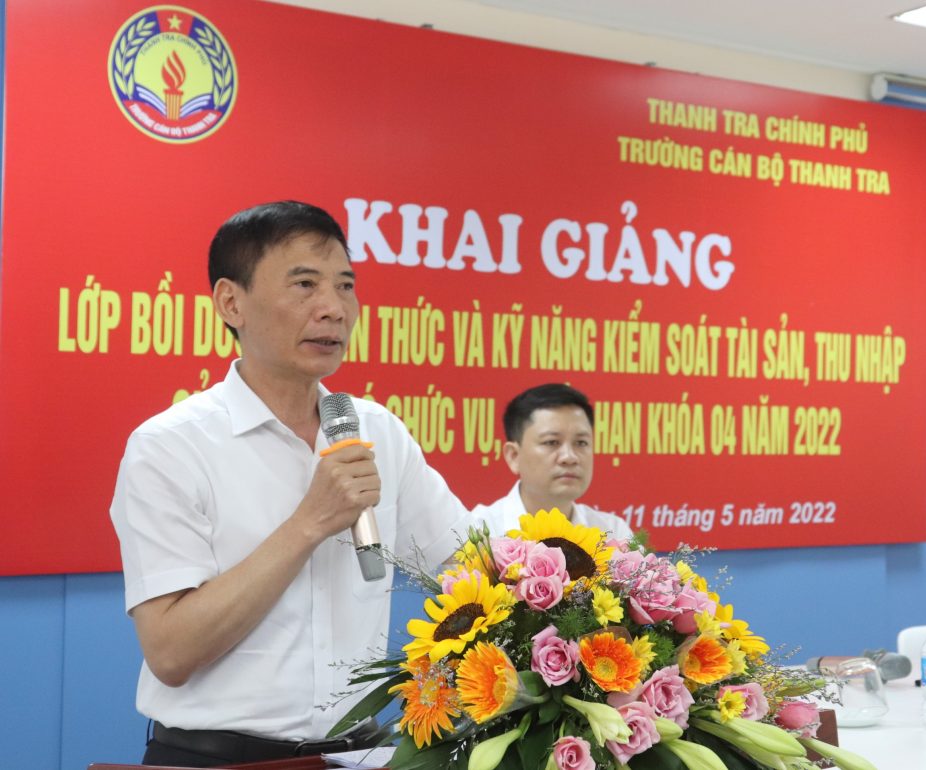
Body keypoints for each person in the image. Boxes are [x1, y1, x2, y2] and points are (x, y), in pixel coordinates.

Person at [109, 201, 471, 767]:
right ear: (231, 302)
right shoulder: (170, 446)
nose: (334, 309)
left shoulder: (378, 431)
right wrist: (310, 522)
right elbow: (172, 653)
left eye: (345, 286)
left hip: (359, 755)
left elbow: (469, 567)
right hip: (219, 759)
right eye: (305, 285)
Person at [472, 383, 632, 541]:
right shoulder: (479, 533)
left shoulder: (613, 534)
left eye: (581, 443)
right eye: (551, 442)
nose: (569, 457)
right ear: (514, 456)